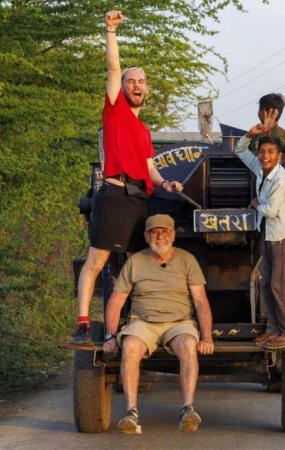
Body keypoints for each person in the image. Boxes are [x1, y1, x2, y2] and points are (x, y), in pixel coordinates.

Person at [73, 10, 183, 344]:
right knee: (97, 260)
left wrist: (165, 183)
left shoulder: (144, 129)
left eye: (141, 81)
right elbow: (112, 68)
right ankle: (82, 324)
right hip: (115, 195)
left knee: (139, 262)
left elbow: (149, 167)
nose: (136, 85)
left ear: (146, 89)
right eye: (130, 81)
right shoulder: (114, 109)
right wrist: (110, 31)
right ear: (121, 88)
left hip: (140, 200)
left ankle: (138, 322)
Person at [102, 214, 215, 434]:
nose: (159, 237)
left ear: (173, 235)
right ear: (146, 236)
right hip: (143, 323)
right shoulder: (135, 261)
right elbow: (116, 301)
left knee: (188, 345)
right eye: (154, 232)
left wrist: (207, 337)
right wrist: (110, 335)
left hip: (179, 322)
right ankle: (131, 412)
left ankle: (187, 409)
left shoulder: (186, 259)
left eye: (164, 232)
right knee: (130, 346)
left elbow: (201, 301)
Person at [235, 122, 285, 350]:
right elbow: (240, 151)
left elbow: (270, 210)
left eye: (270, 152)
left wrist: (255, 203)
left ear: (279, 156)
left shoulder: (280, 179)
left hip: (279, 237)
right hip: (267, 235)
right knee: (268, 284)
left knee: (279, 285)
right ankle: (272, 330)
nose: (265, 156)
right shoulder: (261, 169)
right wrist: (250, 135)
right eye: (261, 152)